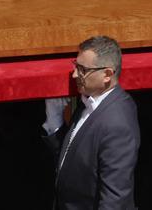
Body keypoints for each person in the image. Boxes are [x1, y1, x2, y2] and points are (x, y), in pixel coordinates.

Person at [43, 35, 140, 209]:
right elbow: (75, 155)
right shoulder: (89, 101)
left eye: (82, 70)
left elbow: (114, 199)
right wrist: (54, 120)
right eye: (75, 66)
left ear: (107, 74)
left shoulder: (117, 123)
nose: (74, 75)